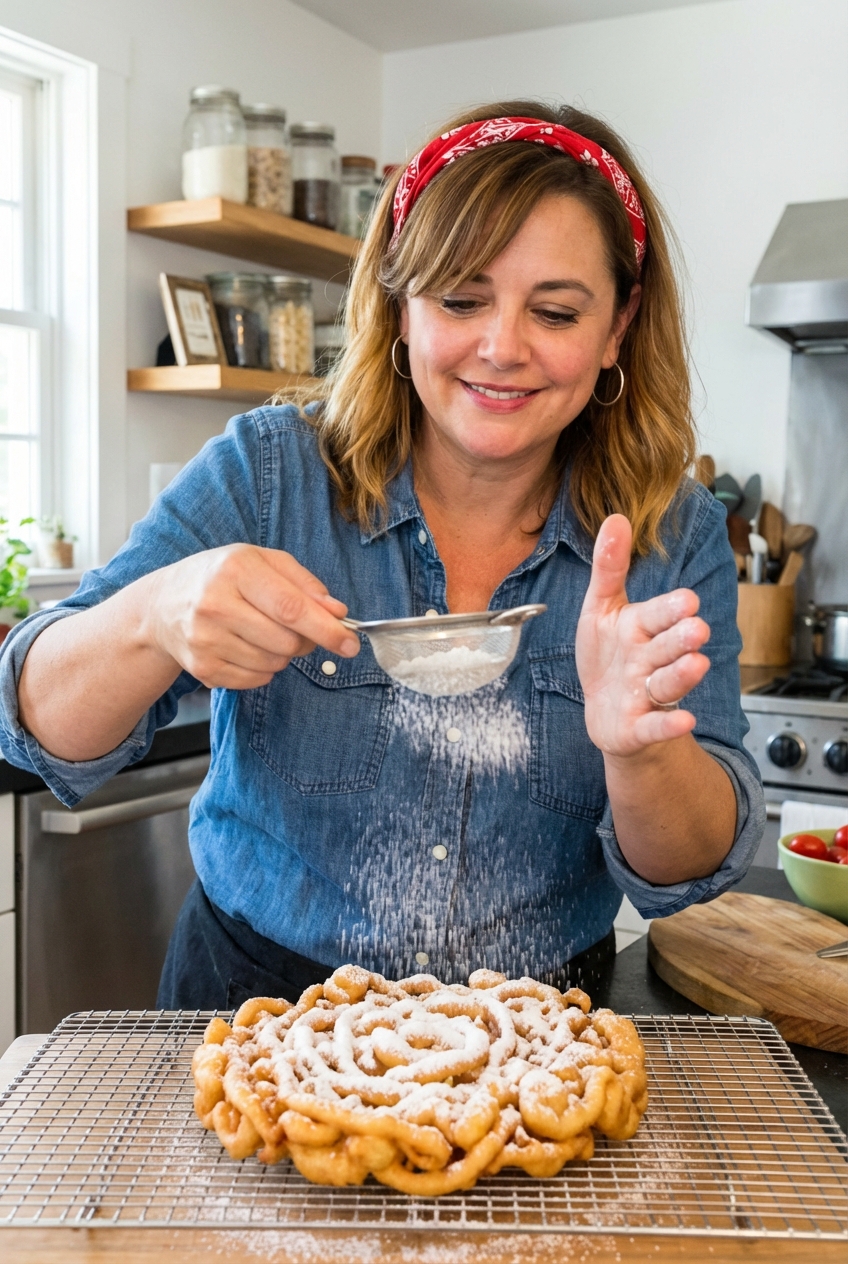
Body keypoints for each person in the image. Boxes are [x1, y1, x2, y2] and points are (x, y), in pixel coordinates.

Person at [0, 101, 764, 1008]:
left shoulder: (671, 535)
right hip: (257, 1010)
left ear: (617, 329)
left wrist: (638, 753)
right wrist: (153, 614)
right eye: (461, 299)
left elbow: (697, 866)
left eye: (555, 311)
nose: (502, 347)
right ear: (400, 306)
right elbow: (37, 727)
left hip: (535, 1036)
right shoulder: (269, 476)